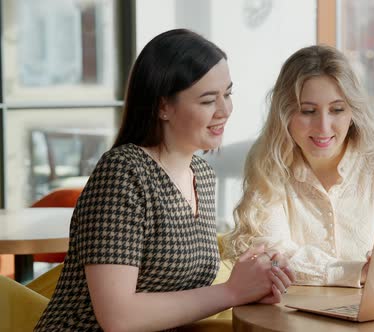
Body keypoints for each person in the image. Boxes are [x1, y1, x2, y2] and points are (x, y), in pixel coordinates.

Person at [35, 29, 293, 331]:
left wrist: (257, 284)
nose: (225, 110)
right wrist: (232, 291)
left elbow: (185, 298)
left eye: (228, 94)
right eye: (209, 100)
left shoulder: (202, 175)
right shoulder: (123, 173)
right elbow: (119, 318)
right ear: (162, 107)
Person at [223, 45, 374, 288]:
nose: (323, 126)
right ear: (285, 113)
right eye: (308, 111)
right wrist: (357, 272)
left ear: (353, 111)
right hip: (293, 316)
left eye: (337, 110)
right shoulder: (268, 164)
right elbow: (272, 256)